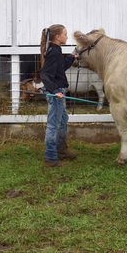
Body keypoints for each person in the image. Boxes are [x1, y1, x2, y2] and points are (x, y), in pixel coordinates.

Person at [39, 24, 78, 167]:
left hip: (59, 91)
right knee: (53, 125)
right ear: (57, 36)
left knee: (62, 121)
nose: (66, 37)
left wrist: (72, 57)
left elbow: (59, 68)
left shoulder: (56, 50)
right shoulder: (54, 52)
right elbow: (45, 74)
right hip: (56, 94)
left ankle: (61, 150)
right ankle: (50, 157)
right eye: (65, 34)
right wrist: (55, 91)